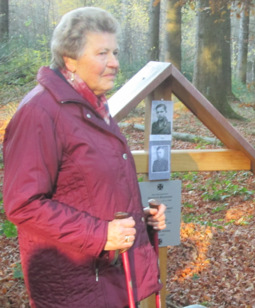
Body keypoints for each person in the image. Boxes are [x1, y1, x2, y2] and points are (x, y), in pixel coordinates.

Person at [2, 7, 167, 307]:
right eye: (102, 53)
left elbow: (87, 188)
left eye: (115, 52)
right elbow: (22, 205)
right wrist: (101, 234)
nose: (115, 63)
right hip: (72, 285)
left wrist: (138, 220)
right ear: (70, 59)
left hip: (106, 279)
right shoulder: (40, 112)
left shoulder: (93, 108)